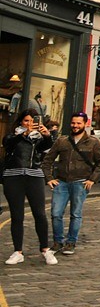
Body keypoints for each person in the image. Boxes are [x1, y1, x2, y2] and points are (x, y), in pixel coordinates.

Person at [43, 112, 100, 255]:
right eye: (73, 123)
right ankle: (57, 242)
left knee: (75, 214)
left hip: (81, 183)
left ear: (85, 124)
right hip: (61, 182)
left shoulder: (93, 142)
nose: (75, 126)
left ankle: (71, 243)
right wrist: (49, 178)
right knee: (56, 213)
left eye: (79, 123)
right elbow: (47, 160)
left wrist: (93, 178)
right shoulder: (62, 141)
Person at [2, 110, 56, 265]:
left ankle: (45, 249)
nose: (29, 124)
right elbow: (9, 144)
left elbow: (48, 147)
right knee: (17, 215)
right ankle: (17, 252)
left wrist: (46, 135)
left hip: (34, 177)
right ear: (20, 122)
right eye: (26, 121)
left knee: (39, 213)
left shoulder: (38, 138)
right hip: (14, 177)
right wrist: (24, 134)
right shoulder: (13, 136)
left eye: (32, 121)